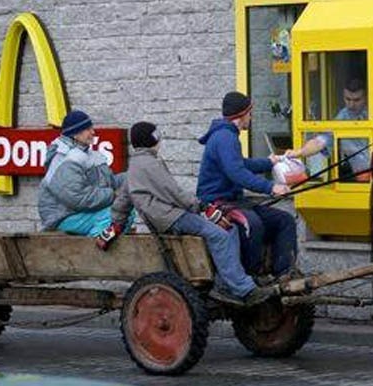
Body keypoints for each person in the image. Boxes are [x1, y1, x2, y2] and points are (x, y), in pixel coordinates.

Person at [107, 121, 273, 306]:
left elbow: (122, 201)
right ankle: (243, 289)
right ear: (153, 140)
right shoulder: (150, 165)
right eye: (158, 137)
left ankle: (224, 282)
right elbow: (174, 193)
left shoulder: (134, 167)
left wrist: (115, 225)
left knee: (228, 229)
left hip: (168, 216)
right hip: (172, 217)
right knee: (221, 235)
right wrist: (203, 206)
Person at [197, 91, 298, 279]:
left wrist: (270, 162)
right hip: (216, 203)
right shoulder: (224, 138)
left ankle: (284, 274)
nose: (251, 118)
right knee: (253, 225)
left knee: (285, 220)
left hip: (236, 202)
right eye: (250, 114)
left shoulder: (228, 135)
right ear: (241, 115)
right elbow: (237, 173)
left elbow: (241, 164)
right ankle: (249, 278)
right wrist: (271, 187)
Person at [288, 78, 373, 179]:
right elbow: (320, 141)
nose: (351, 105)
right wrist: (300, 152)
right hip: (360, 181)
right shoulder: (342, 117)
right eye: (347, 99)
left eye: (356, 100)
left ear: (367, 97)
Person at [38, 110, 124, 236]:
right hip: (64, 217)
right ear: (75, 134)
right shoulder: (65, 159)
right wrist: (113, 195)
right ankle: (92, 252)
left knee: (126, 211)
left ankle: (101, 247)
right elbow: (78, 198)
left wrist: (131, 180)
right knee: (115, 215)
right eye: (88, 129)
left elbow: (109, 182)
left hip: (80, 213)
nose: (93, 132)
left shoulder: (88, 155)